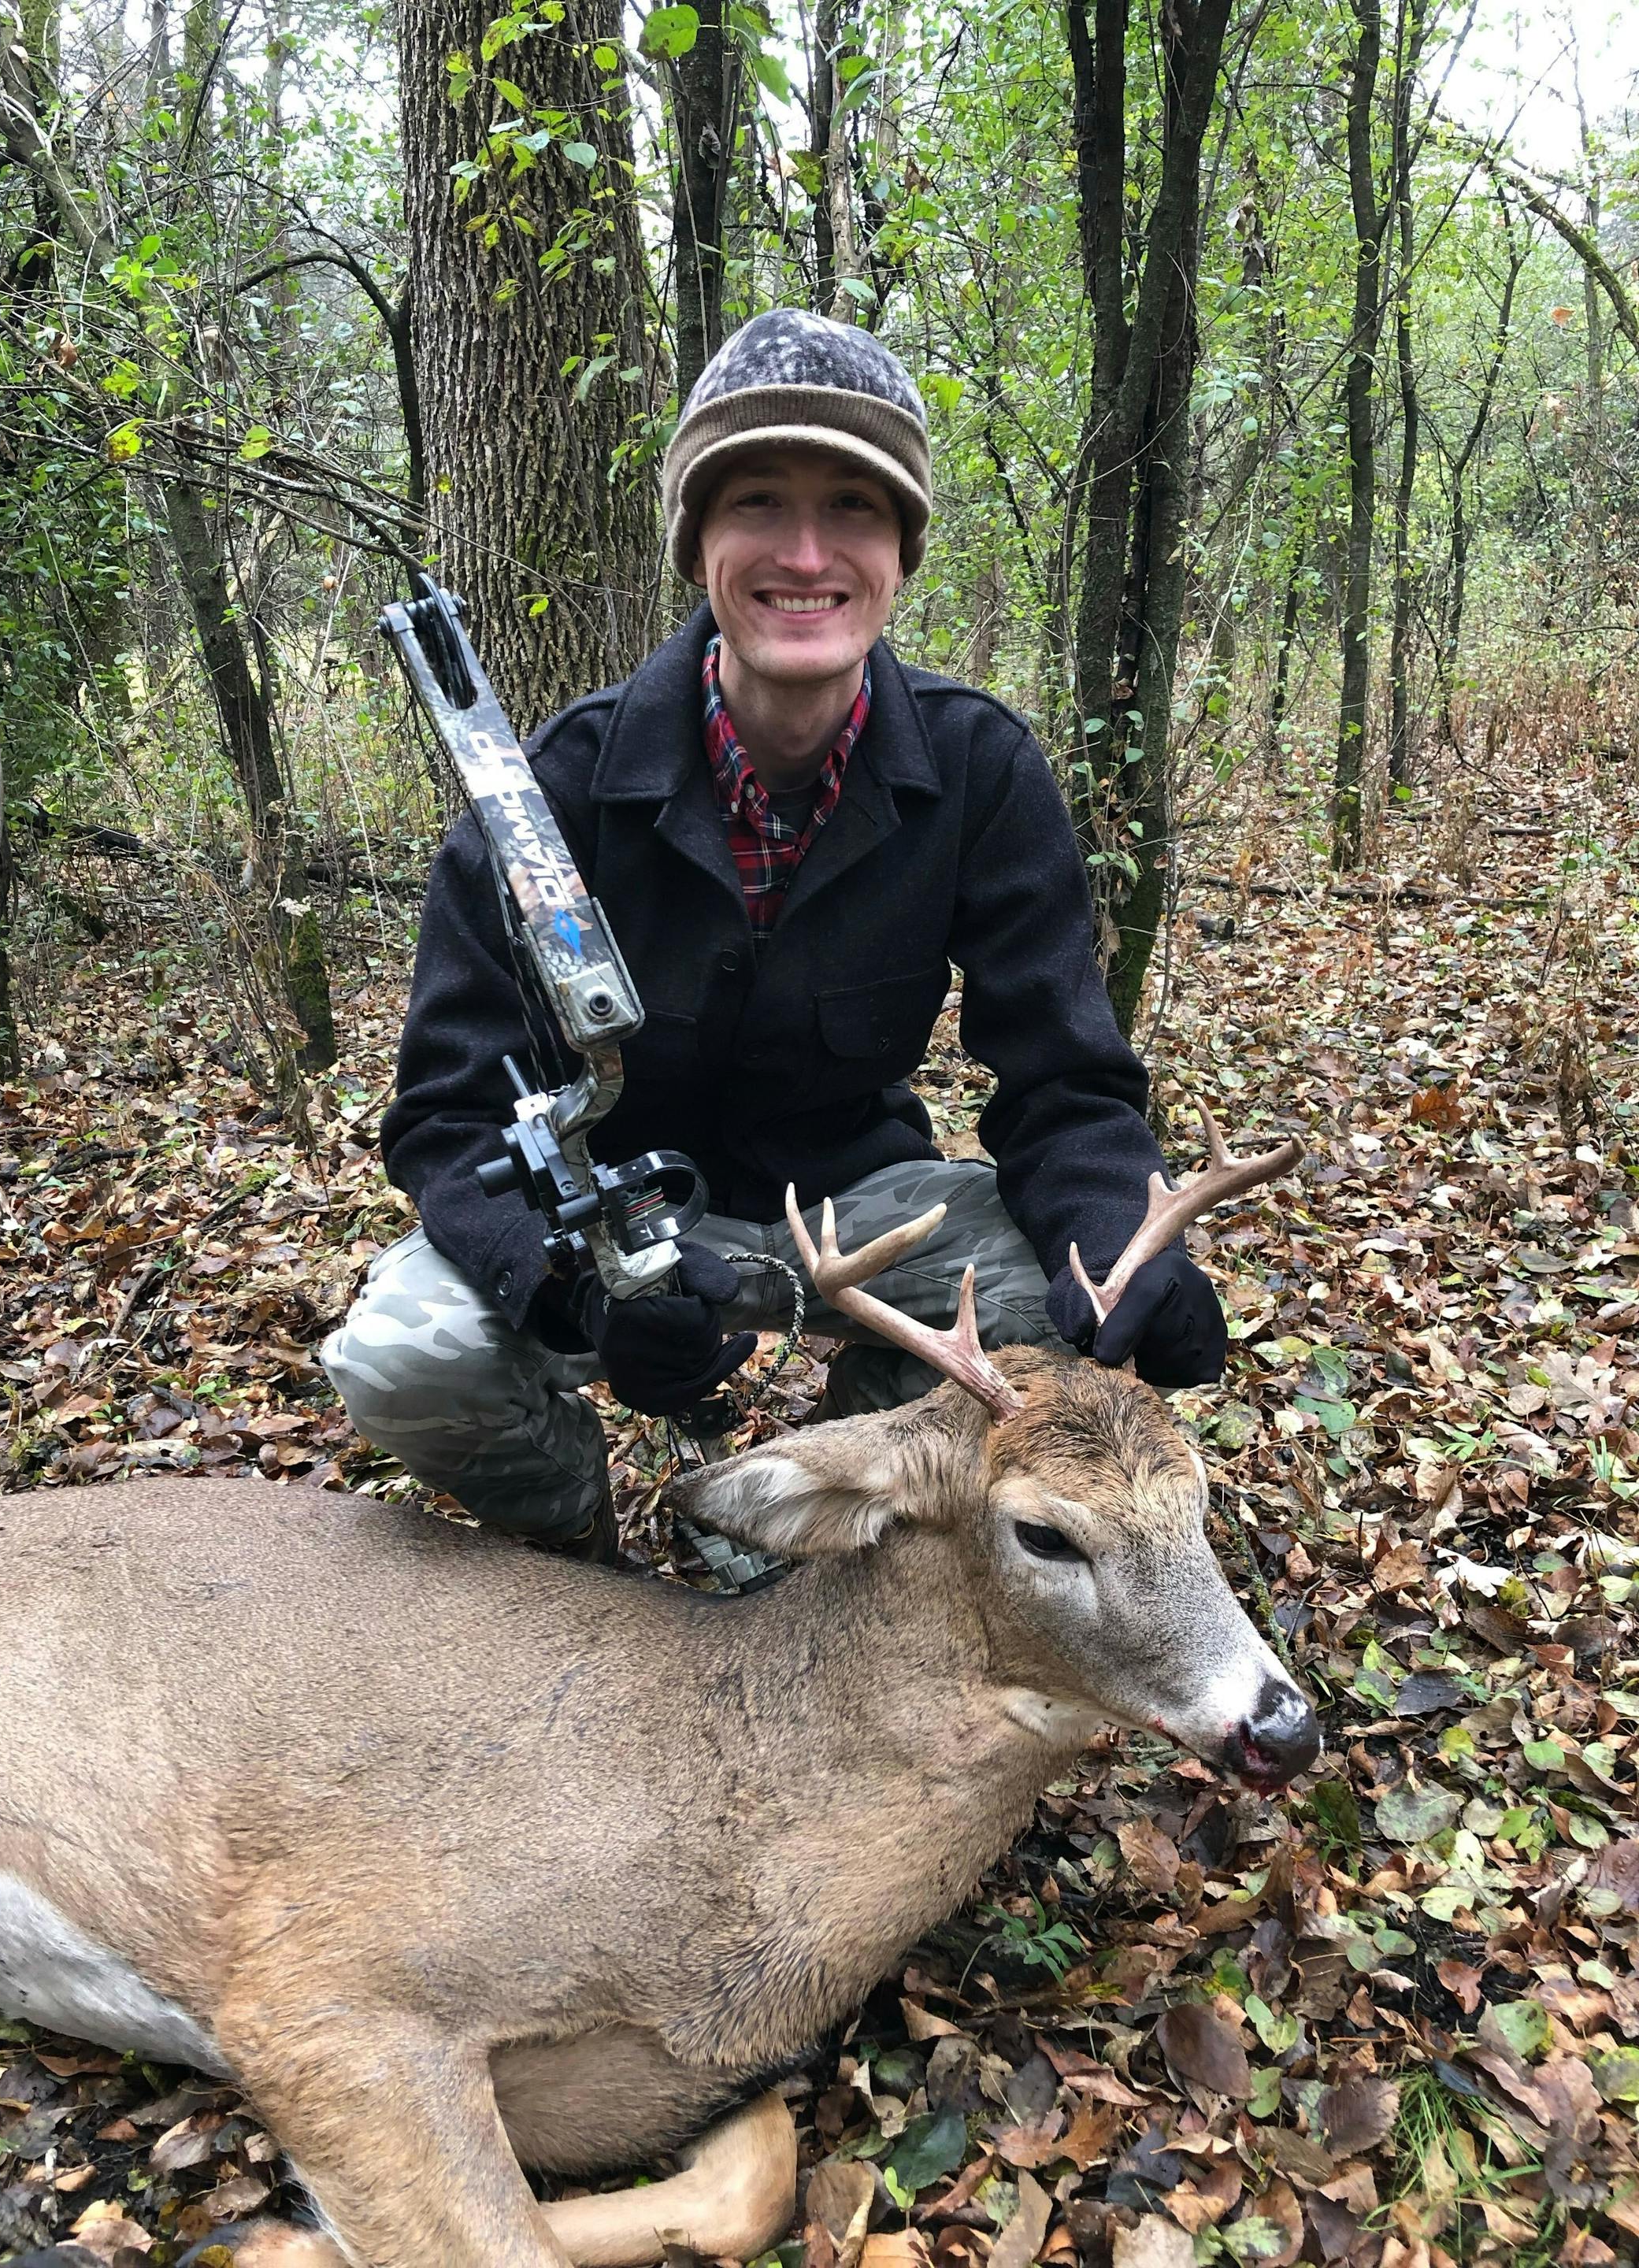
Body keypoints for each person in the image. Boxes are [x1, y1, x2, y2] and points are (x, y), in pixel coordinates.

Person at [321, 309, 1226, 1564]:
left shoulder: (976, 768)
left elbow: (1065, 1083)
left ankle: (846, 1520)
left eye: (853, 507)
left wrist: (1120, 1245)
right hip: (621, 1223)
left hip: (858, 1205)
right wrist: (579, 1290)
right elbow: (446, 1119)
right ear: (698, 542)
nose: (807, 554)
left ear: (901, 552)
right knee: (403, 1357)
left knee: (1075, 1321)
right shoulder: (552, 792)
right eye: (758, 503)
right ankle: (576, 1560)